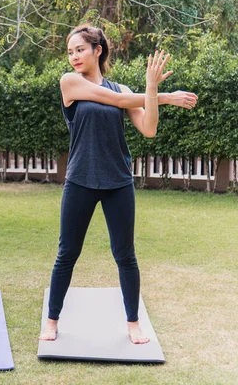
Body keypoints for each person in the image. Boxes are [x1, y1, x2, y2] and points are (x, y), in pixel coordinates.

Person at [39, 24, 198, 344]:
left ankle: (133, 322)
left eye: (80, 50)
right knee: (67, 253)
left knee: (125, 255)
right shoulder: (70, 82)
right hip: (81, 179)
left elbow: (149, 128)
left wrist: (151, 89)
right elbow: (109, 99)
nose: (73, 57)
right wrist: (164, 95)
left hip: (117, 182)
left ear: (98, 50)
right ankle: (52, 320)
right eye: (70, 52)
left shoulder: (125, 90)